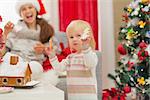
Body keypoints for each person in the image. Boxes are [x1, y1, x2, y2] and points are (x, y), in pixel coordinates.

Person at [1, 0, 58, 85]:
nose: (27, 11)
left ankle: (17, 77)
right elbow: (3, 51)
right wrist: (5, 33)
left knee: (35, 67)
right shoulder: (13, 30)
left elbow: (54, 48)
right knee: (8, 59)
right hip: (14, 62)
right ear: (20, 14)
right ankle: (13, 76)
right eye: (24, 9)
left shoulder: (46, 30)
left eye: (30, 7)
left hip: (33, 63)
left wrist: (44, 49)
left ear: (36, 10)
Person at [45, 20, 98, 100]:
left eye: (78, 36)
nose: (74, 39)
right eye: (71, 37)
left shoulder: (90, 55)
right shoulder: (70, 58)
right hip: (73, 97)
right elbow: (59, 69)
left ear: (88, 38)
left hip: (88, 97)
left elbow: (90, 63)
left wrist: (86, 48)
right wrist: (52, 57)